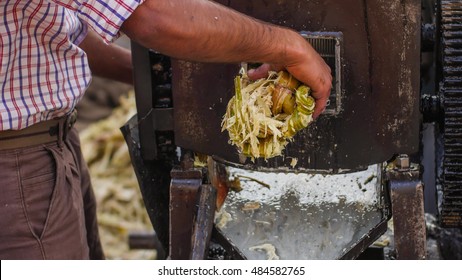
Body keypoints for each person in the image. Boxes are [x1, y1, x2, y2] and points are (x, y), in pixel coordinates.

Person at [0, 0, 332, 259]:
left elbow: (53, 27)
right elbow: (152, 14)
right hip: (16, 164)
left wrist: (150, 77)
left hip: (47, 143)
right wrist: (289, 47)